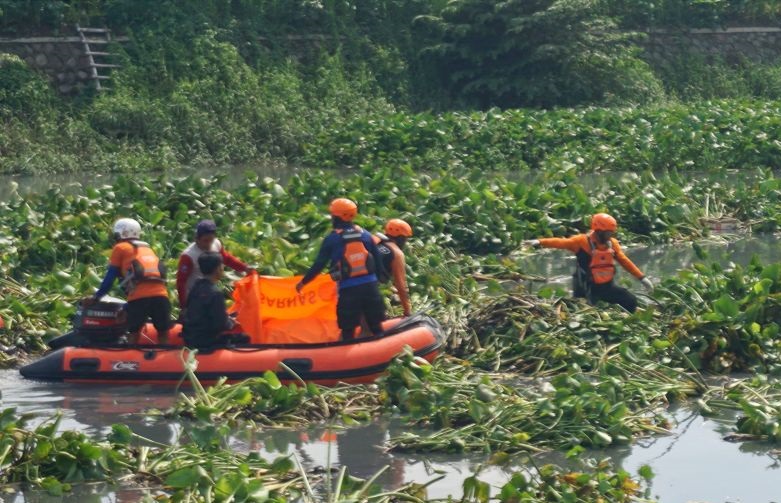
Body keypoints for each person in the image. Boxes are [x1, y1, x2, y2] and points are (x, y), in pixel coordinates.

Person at [525, 213, 654, 313]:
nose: (610, 235)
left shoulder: (612, 244)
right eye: (607, 233)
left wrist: (642, 278)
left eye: (611, 232)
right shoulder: (581, 242)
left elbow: (625, 261)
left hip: (606, 287)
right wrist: (540, 242)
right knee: (586, 310)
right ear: (598, 230)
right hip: (585, 288)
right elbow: (561, 242)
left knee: (630, 301)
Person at [296, 198, 386, 340]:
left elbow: (319, 265)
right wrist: (379, 280)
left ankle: (349, 352)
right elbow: (378, 259)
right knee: (376, 327)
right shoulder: (366, 235)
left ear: (336, 217)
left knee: (348, 331)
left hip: (348, 290)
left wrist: (303, 282)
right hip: (370, 287)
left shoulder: (332, 239)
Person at [92, 218, 170, 344]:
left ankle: (130, 354)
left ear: (120, 234)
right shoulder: (148, 248)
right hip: (162, 297)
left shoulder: (120, 248)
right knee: (163, 333)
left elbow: (110, 277)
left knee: (133, 332)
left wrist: (96, 297)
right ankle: (165, 354)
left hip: (139, 298)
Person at [177, 219, 252, 309]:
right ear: (197, 239)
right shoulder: (189, 256)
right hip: (194, 296)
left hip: (209, 290)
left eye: (211, 240)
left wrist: (244, 268)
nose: (208, 244)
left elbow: (226, 258)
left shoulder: (216, 244)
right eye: (205, 241)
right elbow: (181, 282)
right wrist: (184, 306)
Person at [182, 252, 237, 349]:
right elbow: (220, 324)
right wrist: (231, 323)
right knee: (243, 338)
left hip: (190, 338)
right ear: (218, 269)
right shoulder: (215, 293)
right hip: (206, 341)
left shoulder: (195, 288)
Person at [373, 219, 413, 317]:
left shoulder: (374, 241)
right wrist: (407, 311)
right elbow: (401, 286)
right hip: (364, 288)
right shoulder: (396, 253)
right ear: (401, 238)